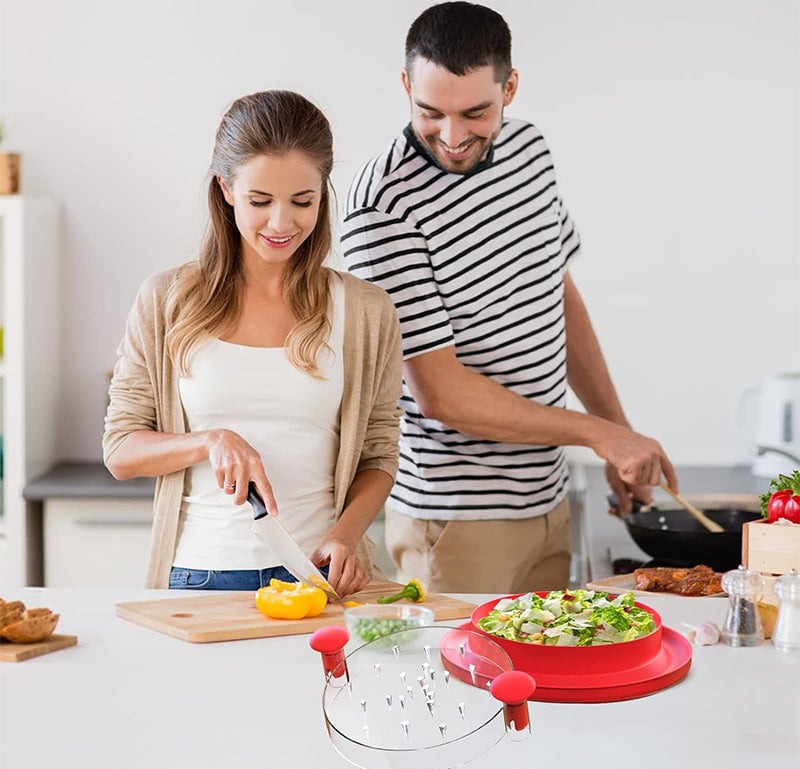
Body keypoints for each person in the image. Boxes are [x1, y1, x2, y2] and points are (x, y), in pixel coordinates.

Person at [342, 1, 677, 594]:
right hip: (455, 523)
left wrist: (616, 433)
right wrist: (599, 434)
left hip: (548, 498)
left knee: (543, 685)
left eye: (475, 112)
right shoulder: (383, 206)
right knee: (467, 684)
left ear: (510, 87)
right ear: (405, 85)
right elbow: (442, 395)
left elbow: (557, 294)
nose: (452, 137)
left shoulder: (530, 152)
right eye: (430, 112)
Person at [104, 90, 403, 595]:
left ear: (323, 195)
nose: (282, 223)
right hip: (199, 577)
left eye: (302, 201)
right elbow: (120, 449)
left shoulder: (366, 312)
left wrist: (346, 535)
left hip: (319, 578)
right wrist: (210, 440)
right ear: (226, 189)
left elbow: (379, 455)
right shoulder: (166, 300)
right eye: (260, 201)